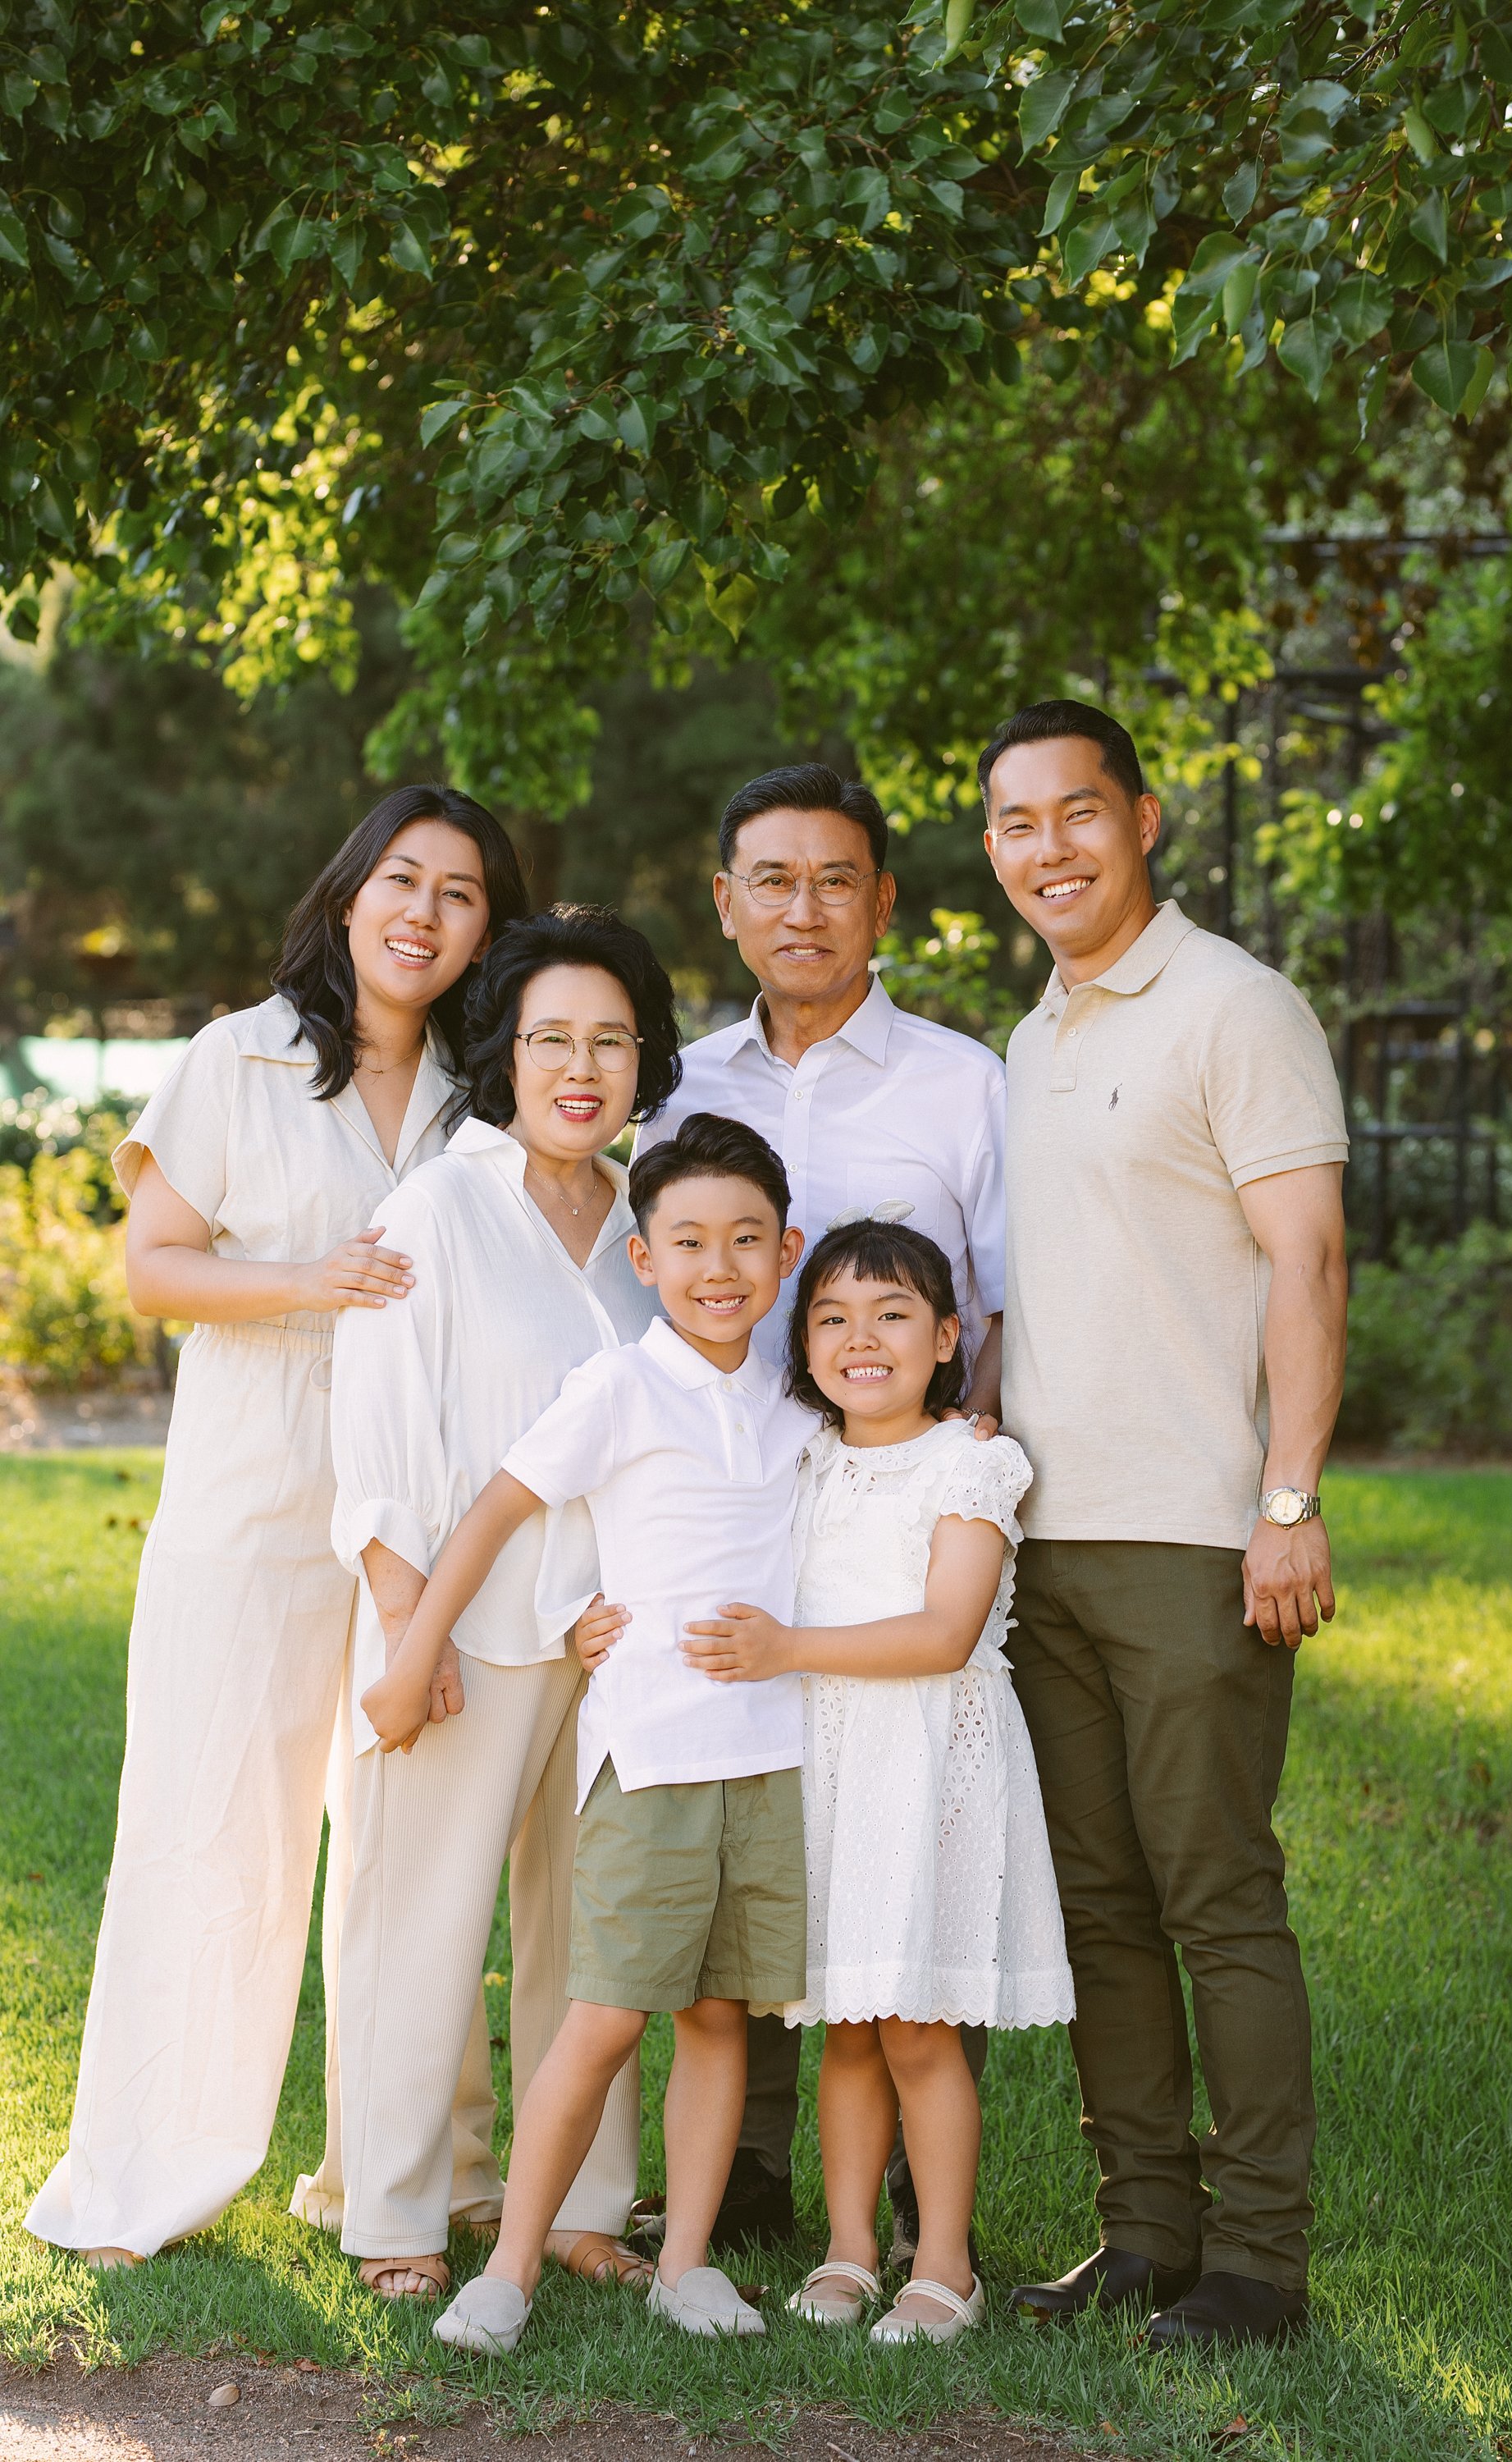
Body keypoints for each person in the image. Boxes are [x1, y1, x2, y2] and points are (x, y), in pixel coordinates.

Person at [26, 786, 526, 2268]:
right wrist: (315, 1281)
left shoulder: (482, 1089)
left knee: (411, 1850)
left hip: (423, 1517)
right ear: (351, 890)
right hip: (249, 1504)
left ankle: (410, 2179)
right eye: (403, 880)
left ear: (485, 931)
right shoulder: (234, 1058)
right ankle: (148, 2171)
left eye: (461, 895)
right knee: (210, 1832)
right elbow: (155, 1270)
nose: (424, 913)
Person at [980, 699, 1349, 2351]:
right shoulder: (1029, 1038)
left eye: (1074, 815)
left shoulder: (1233, 1008)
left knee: (1215, 1899)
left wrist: (1286, 1501)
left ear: (1139, 820)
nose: (1044, 849)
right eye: (1011, 824)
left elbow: (1309, 1265)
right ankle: (1142, 2234)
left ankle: (1257, 2263)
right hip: (1040, 1543)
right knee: (1098, 1908)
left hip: (1197, 1539)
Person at [359, 1113, 813, 2352]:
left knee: (722, 2017)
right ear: (642, 1261)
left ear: (789, 1252)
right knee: (605, 2016)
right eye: (688, 1243)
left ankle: (685, 2261)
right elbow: (500, 1512)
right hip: (654, 1758)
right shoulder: (618, 1386)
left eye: (747, 1241)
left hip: (772, 1763)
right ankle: (506, 2270)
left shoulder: (796, 1402)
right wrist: (418, 1651)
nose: (720, 1267)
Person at [637, 760, 1007, 2247]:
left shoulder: (962, 1084)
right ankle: (752, 2170)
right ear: (726, 905)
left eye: (835, 878)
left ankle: (926, 2189)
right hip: (741, 1504)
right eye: (771, 880)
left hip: (907, 1505)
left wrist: (971, 1493)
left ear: (884, 902)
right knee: (767, 1818)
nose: (804, 907)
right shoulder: (684, 1089)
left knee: (910, 1815)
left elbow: (1003, 1313)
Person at [325, 908, 682, 2303]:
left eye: (611, 1040)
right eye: (551, 1040)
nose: (581, 1067)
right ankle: (403, 2207)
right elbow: (379, 1437)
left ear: (645, 1057)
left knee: (584, 1930)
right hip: (462, 1627)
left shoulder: (650, 1220)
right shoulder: (440, 1206)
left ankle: (587, 2203)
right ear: (505, 1053)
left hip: (611, 1637)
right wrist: (415, 1637)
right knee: (421, 1919)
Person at [671, 1219, 1074, 2344]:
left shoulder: (974, 1462)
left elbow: (947, 1631)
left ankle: (941, 2263)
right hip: (831, 1769)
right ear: (803, 1341)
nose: (863, 1339)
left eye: (894, 1315)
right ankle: (847, 2250)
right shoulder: (804, 1457)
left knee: (915, 2028)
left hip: (928, 1767)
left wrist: (790, 1649)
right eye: (834, 1316)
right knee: (845, 2023)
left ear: (948, 1337)